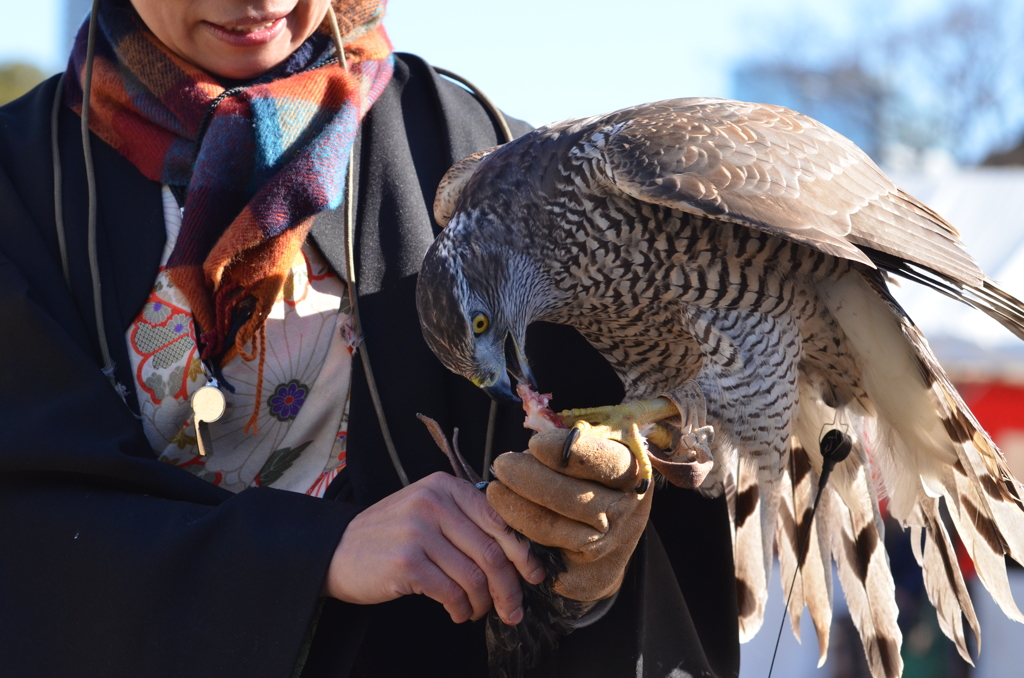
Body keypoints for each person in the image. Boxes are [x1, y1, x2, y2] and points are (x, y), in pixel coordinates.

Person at [0, 1, 739, 676]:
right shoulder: (19, 186)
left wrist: (596, 549)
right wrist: (316, 555)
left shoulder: (493, 157)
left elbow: (651, 486)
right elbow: (29, 529)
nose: (260, 2)